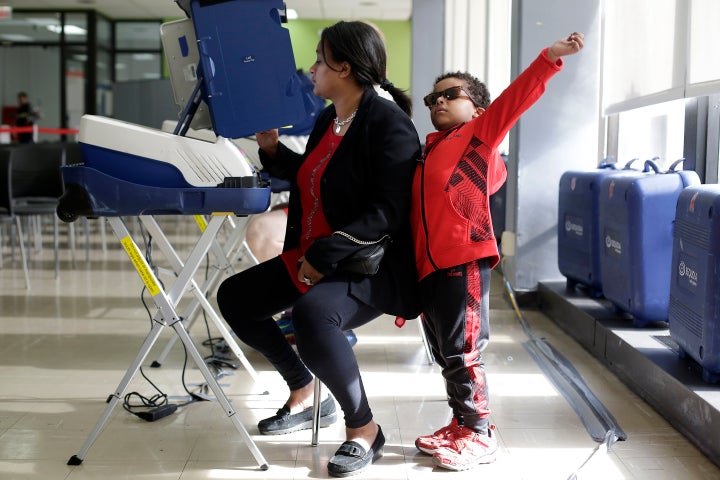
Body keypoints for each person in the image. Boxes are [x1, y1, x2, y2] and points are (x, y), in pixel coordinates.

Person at [216, 20, 421, 477]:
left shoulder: (388, 122)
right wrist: (271, 150)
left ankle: (363, 428)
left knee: (313, 316)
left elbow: (388, 211)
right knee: (235, 298)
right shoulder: (332, 119)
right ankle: (302, 386)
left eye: (319, 60)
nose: (311, 69)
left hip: (366, 264)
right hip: (316, 255)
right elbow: (316, 175)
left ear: (344, 68)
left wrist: (323, 257)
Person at [410, 32, 585, 471]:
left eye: (451, 94)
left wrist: (548, 58)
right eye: (433, 97)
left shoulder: (478, 135)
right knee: (445, 351)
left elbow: (517, 98)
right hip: (430, 268)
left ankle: (480, 433)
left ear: (479, 109)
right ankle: (460, 422)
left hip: (462, 261)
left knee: (464, 348)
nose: (438, 102)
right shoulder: (428, 152)